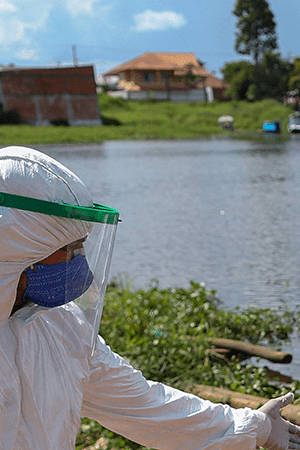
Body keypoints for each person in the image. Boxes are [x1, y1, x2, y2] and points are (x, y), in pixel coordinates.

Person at [0, 145, 300, 450]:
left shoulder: (60, 327)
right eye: (68, 250)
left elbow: (145, 406)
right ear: (15, 251)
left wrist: (253, 426)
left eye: (82, 247)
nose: (79, 262)